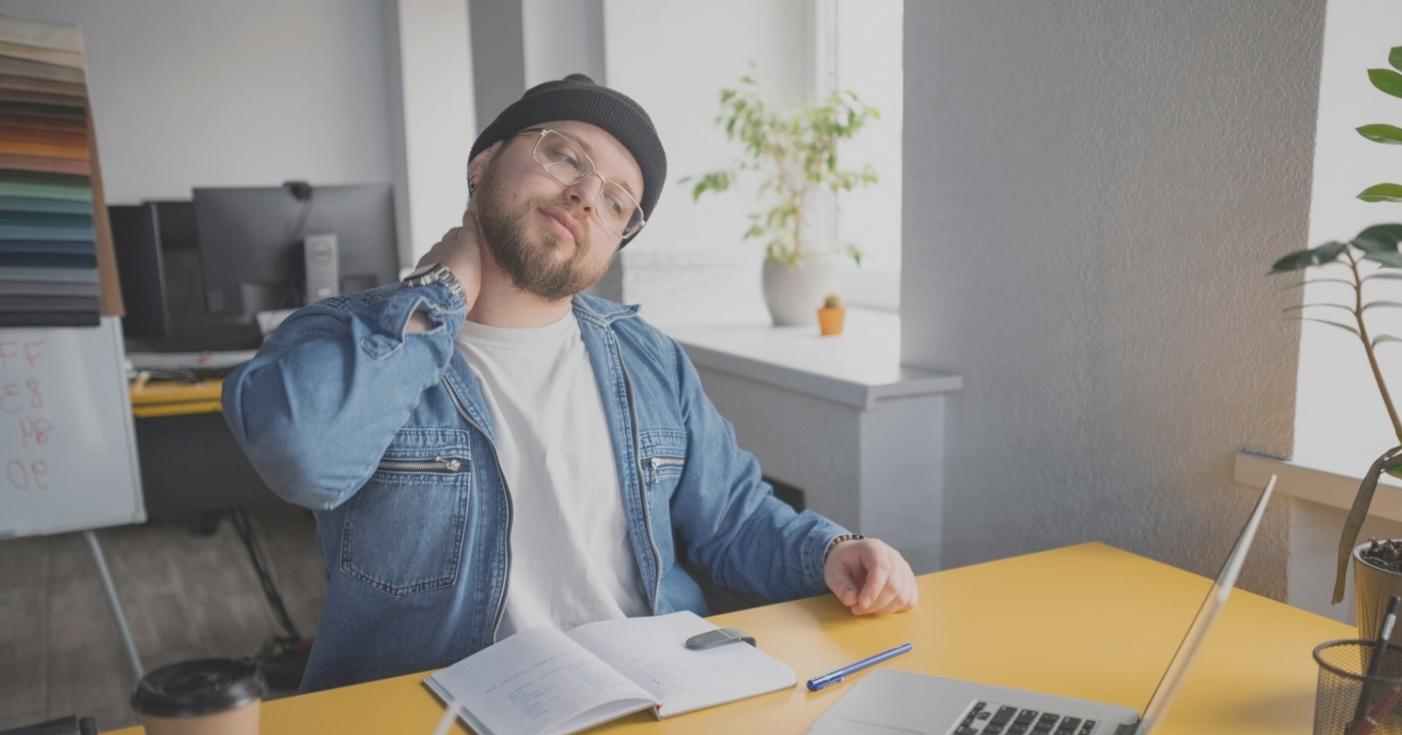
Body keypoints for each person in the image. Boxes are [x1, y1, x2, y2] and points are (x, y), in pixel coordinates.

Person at [223, 74, 918, 692]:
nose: (588, 195)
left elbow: (733, 518)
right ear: (484, 162)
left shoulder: (647, 358)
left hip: (652, 697)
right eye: (565, 157)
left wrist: (833, 549)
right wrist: (439, 292)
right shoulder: (348, 336)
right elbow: (303, 455)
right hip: (437, 727)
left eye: (619, 201)